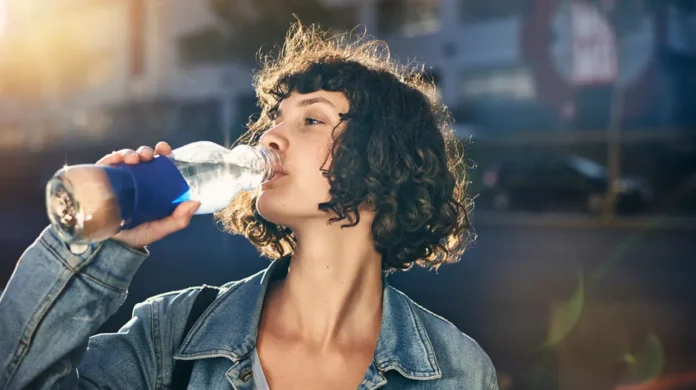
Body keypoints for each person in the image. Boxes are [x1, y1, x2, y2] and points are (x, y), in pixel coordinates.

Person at [0, 23, 498, 389]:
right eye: (275, 119)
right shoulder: (171, 333)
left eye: (311, 121)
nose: (272, 136)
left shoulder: (454, 370)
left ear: (382, 159)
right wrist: (99, 247)